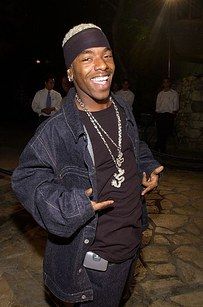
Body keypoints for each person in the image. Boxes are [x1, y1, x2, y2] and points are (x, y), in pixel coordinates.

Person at [11, 23, 163, 306]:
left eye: (106, 55)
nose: (101, 66)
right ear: (70, 72)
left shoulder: (122, 109)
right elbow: (24, 179)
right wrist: (71, 206)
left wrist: (146, 165)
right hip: (94, 260)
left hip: (131, 244)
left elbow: (132, 146)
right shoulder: (57, 130)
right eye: (87, 58)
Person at [155, 77, 179, 153]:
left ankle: (161, 147)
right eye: (164, 82)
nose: (165, 84)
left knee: (166, 132)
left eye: (167, 82)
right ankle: (160, 147)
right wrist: (157, 112)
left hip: (169, 115)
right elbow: (158, 105)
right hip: (160, 114)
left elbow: (176, 105)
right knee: (159, 131)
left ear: (169, 83)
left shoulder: (174, 93)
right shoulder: (160, 94)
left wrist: (174, 112)